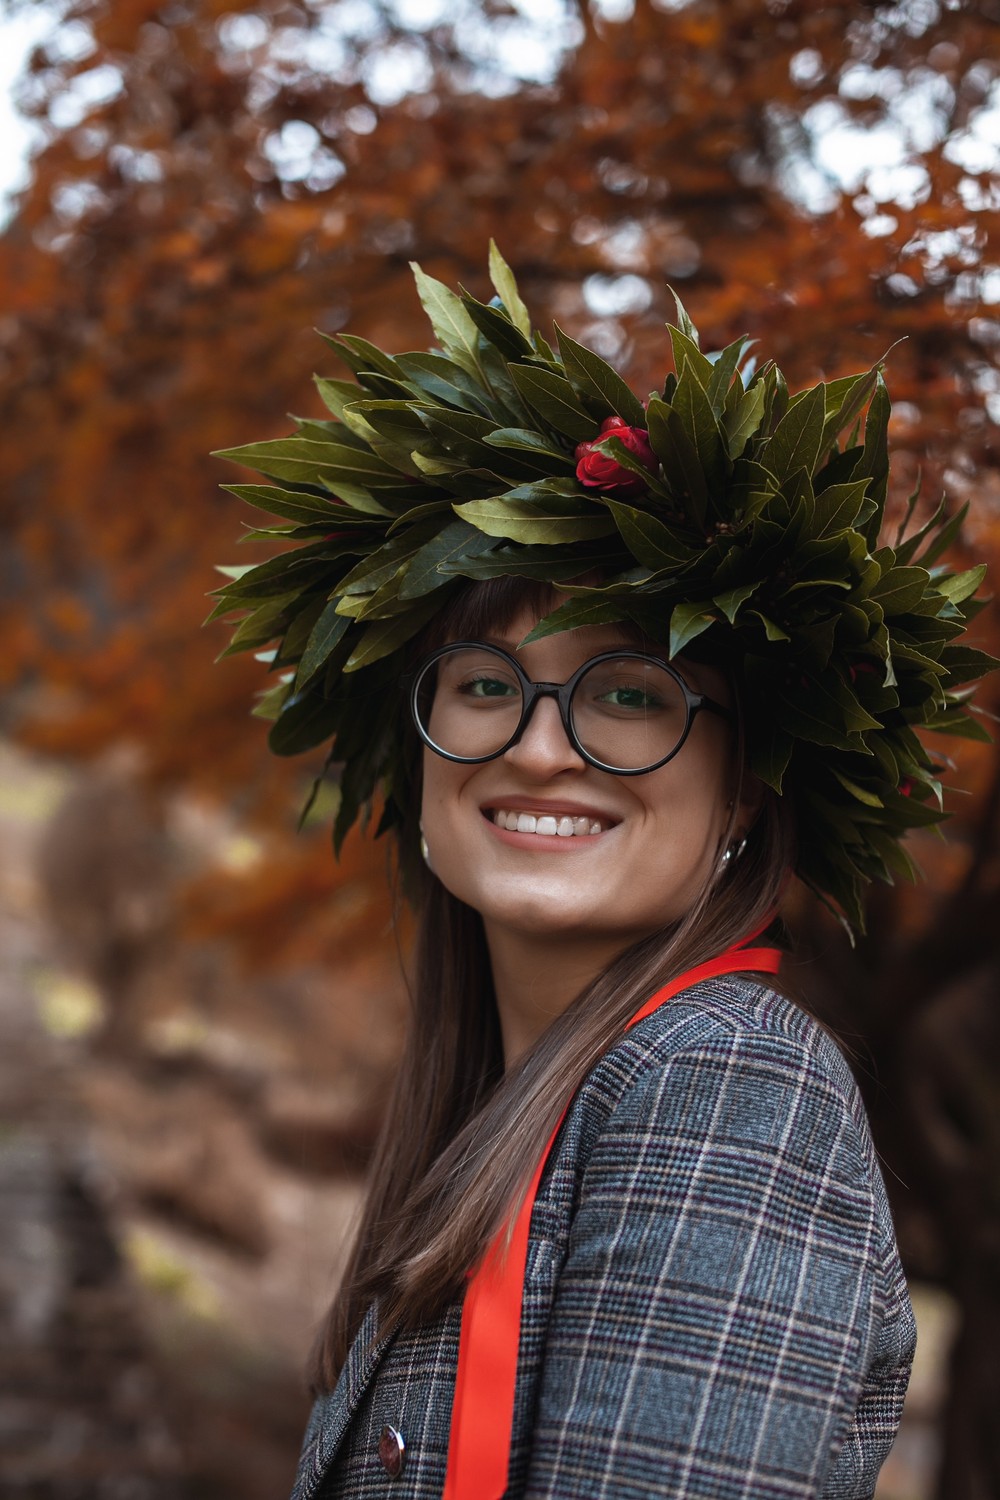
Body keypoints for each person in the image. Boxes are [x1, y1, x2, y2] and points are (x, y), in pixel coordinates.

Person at [213, 246, 994, 1498]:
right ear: (417, 773)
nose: (535, 747)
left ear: (742, 793)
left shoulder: (729, 1084)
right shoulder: (507, 1116)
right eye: (483, 686)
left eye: (628, 695)